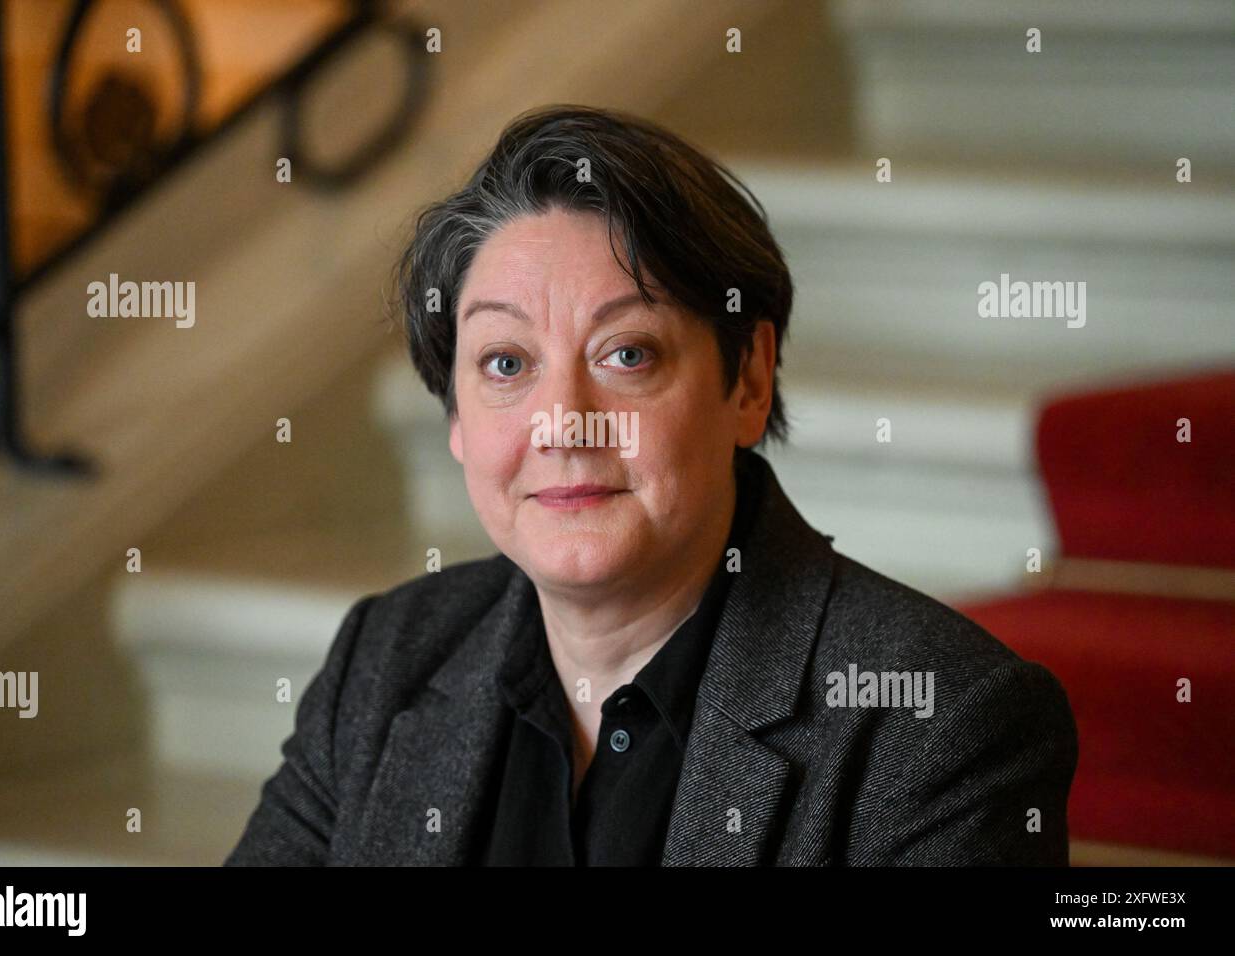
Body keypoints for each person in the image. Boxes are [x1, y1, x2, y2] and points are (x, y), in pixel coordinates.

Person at [225, 104, 1078, 866]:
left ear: (746, 381)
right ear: (455, 417)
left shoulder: (938, 722)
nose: (564, 423)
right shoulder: (387, 659)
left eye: (626, 354)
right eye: (506, 363)